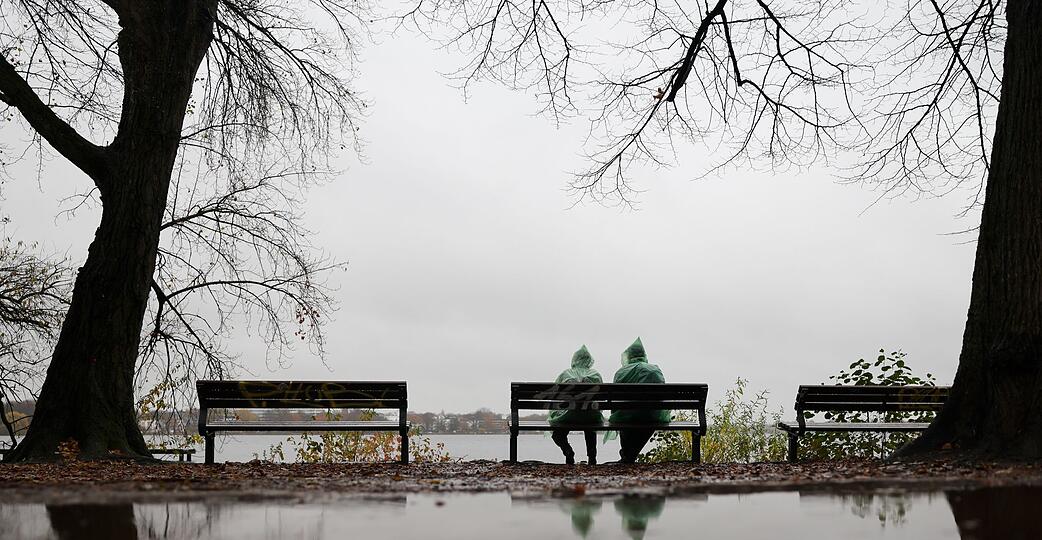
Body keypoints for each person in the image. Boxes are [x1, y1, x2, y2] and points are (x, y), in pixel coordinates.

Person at [609, 337, 669, 463]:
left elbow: (615, 401)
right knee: (647, 414)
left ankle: (627, 456)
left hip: (627, 416)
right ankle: (629, 456)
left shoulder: (621, 372)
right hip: (652, 416)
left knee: (625, 416)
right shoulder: (655, 369)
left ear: (628, 357)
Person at [548, 345, 604, 465]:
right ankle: (592, 458)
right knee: (590, 425)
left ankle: (568, 451)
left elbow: (554, 398)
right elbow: (601, 400)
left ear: (574, 359)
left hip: (568, 416)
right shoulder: (595, 375)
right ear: (589, 360)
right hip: (590, 417)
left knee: (557, 434)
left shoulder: (566, 374)